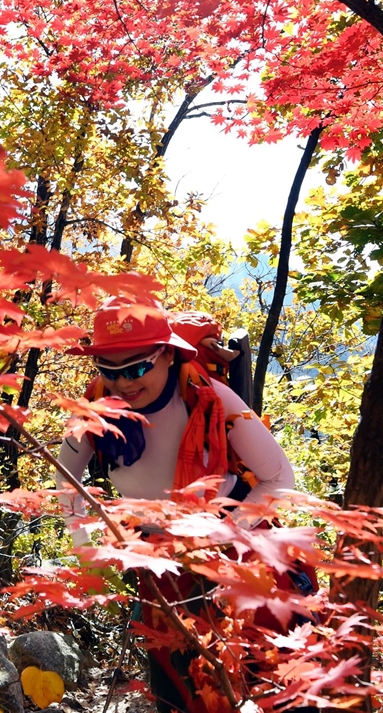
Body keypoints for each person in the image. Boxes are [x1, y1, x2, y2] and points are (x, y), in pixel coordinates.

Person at [56, 296, 295, 713]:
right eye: (108, 372)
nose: (124, 384)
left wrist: (220, 534)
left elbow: (279, 479)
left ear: (167, 354)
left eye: (137, 369)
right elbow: (66, 476)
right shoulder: (96, 405)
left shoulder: (210, 397)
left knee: (268, 672)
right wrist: (85, 545)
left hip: (235, 545)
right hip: (155, 557)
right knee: (177, 682)